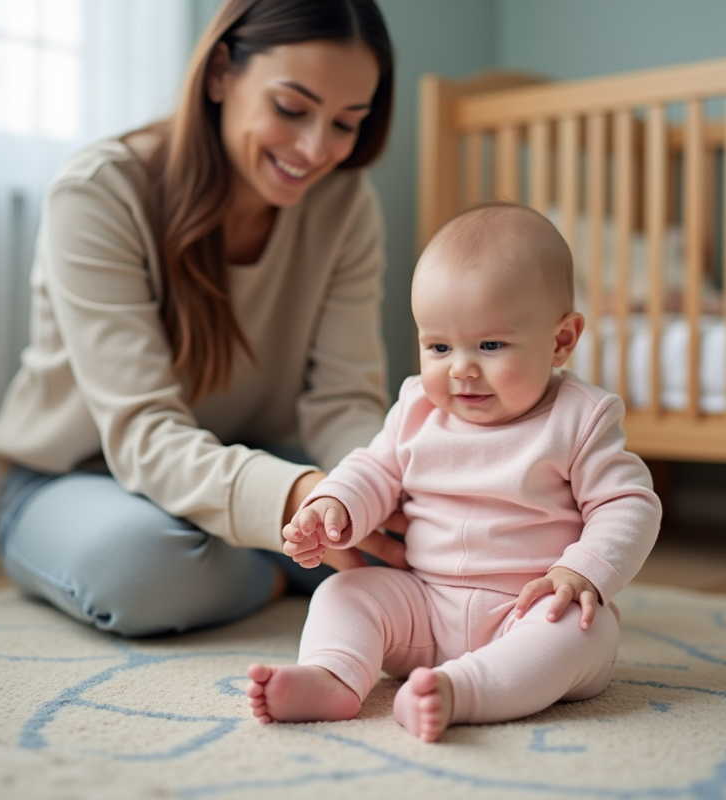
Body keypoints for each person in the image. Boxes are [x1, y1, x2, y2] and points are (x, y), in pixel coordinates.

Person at [0, 0, 406, 638]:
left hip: (255, 461)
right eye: (291, 108)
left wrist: (377, 491)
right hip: (81, 478)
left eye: (347, 123)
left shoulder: (345, 205)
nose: (316, 149)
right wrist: (292, 500)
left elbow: (343, 400)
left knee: (418, 540)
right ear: (220, 74)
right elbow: (143, 430)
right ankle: (279, 571)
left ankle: (264, 549)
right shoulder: (99, 192)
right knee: (140, 569)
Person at [246, 203, 662, 742]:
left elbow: (629, 504)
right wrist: (335, 506)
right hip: (422, 605)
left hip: (528, 607)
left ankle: (461, 691)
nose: (461, 368)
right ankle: (332, 677)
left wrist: (583, 573)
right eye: (439, 346)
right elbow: (374, 468)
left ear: (561, 340)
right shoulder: (418, 407)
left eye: (490, 345)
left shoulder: (580, 416)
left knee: (580, 632)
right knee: (344, 593)